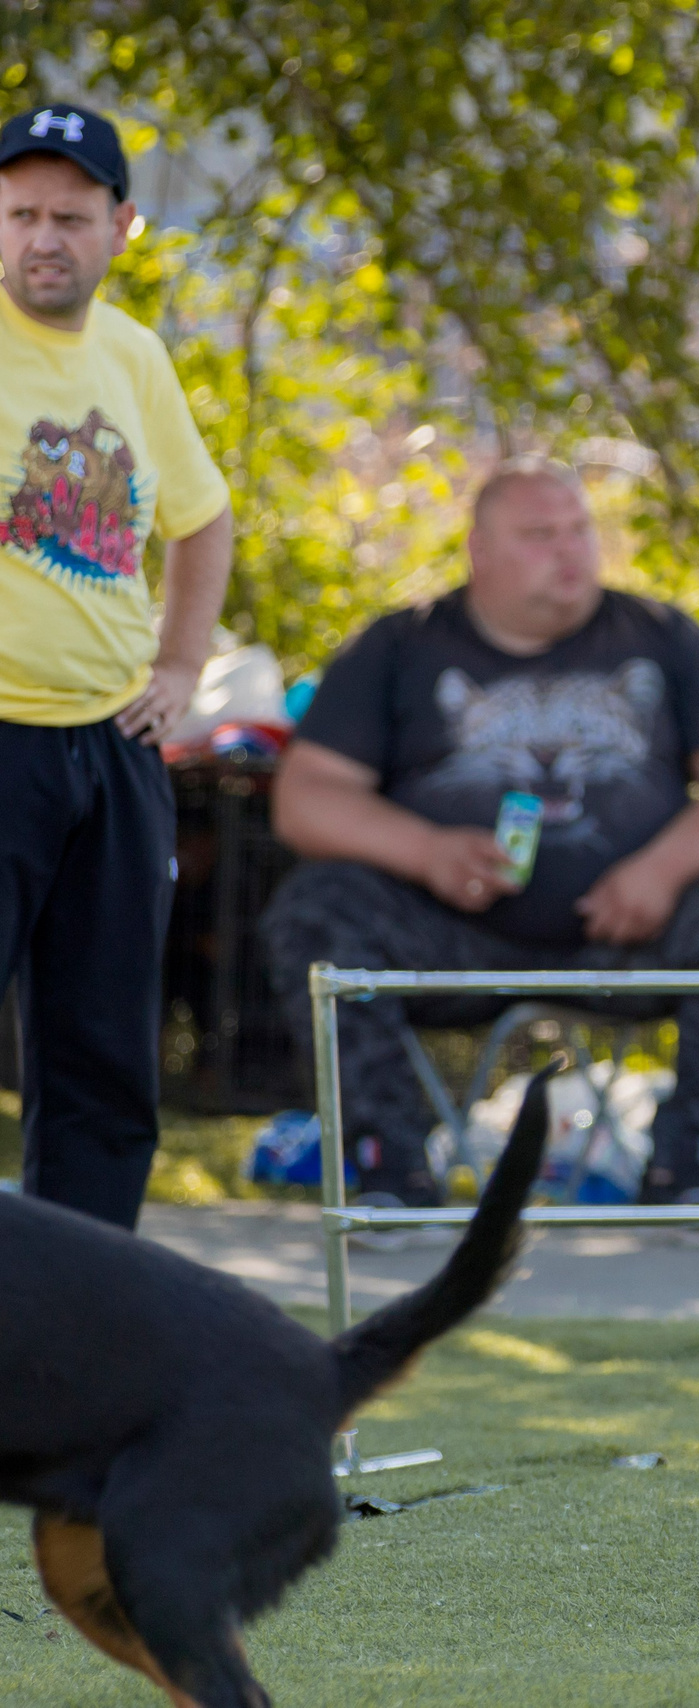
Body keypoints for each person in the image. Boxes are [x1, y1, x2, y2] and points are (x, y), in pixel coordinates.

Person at [262, 459, 699, 1208]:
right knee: (315, 907)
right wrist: (425, 853)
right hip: (450, 939)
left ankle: (691, 1169)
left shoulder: (664, 638)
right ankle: (390, 1171)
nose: (569, 550)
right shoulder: (398, 647)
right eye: (539, 535)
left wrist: (663, 870)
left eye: (580, 529)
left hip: (628, 940)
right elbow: (305, 798)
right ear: (480, 550)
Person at [0, 103, 234, 1228]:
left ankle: (80, 1314)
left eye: (70, 218)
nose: (43, 239)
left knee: (104, 1070)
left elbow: (203, 517)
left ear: (121, 227)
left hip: (113, 750)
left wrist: (181, 665)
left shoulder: (134, 356)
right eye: (21, 216)